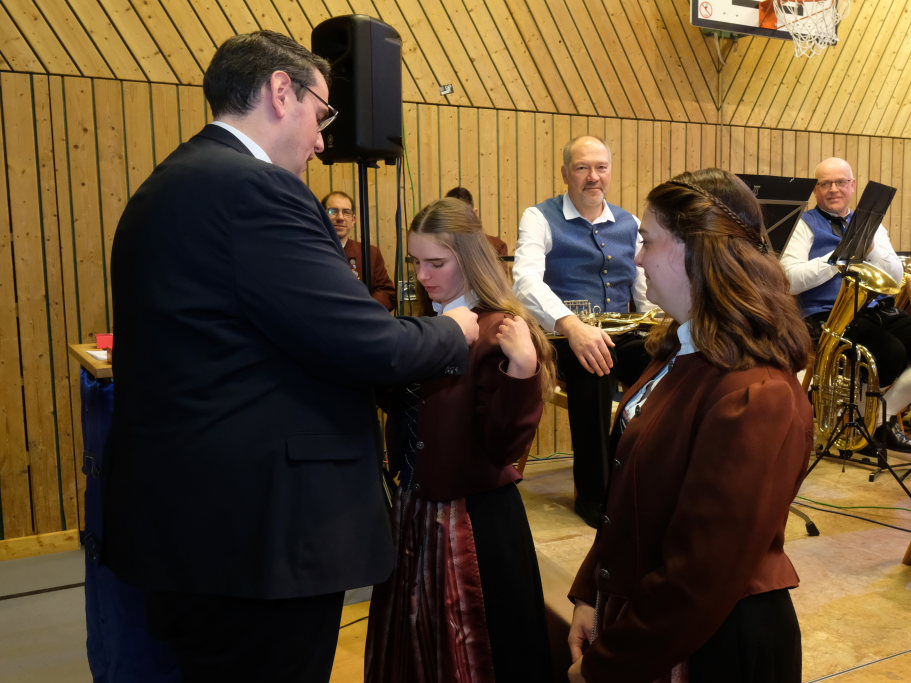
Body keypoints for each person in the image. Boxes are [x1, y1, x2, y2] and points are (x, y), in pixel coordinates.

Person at [103, 30, 479, 682]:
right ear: (282, 92)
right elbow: (364, 342)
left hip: (195, 524)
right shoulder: (253, 190)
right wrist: (455, 331)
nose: (322, 141)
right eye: (321, 114)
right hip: (257, 535)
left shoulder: (171, 181)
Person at [567, 168, 813, 683]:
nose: (638, 258)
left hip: (716, 645)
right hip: (656, 624)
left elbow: (701, 573)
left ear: (696, 250)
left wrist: (607, 665)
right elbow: (628, 501)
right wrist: (591, 591)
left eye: (647, 240)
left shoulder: (756, 393)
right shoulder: (679, 350)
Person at [364, 197, 555, 683]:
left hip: (472, 524)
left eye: (436, 263)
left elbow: (503, 446)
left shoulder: (500, 330)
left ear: (469, 259)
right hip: (414, 511)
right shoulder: (424, 325)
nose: (422, 276)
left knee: (477, 652)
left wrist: (523, 371)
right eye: (415, 262)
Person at [512, 135, 652, 527]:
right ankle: (596, 498)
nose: (593, 177)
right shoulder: (539, 217)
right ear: (565, 173)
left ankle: (645, 479)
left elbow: (644, 289)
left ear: (611, 171)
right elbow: (525, 280)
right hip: (564, 337)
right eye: (582, 168)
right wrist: (571, 326)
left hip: (623, 333)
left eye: (601, 168)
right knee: (594, 366)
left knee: (669, 364)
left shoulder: (630, 223)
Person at [781, 157, 911, 451]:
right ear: (816, 190)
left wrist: (871, 247)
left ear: (852, 186)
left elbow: (895, 276)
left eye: (840, 182)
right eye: (825, 183)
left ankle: (878, 421)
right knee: (889, 353)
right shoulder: (803, 225)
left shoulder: (872, 224)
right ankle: (864, 427)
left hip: (875, 309)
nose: (833, 189)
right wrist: (838, 258)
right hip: (826, 316)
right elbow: (789, 279)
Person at [322, 190, 397, 311]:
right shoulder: (309, 253)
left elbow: (387, 293)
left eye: (346, 213)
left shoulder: (370, 254)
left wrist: (364, 310)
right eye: (333, 212)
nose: (340, 218)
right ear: (321, 216)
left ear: (353, 220)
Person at [445, 185, 509, 257]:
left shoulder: (497, 246)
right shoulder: (439, 247)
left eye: (461, 215)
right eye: (452, 216)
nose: (457, 221)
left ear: (474, 213)